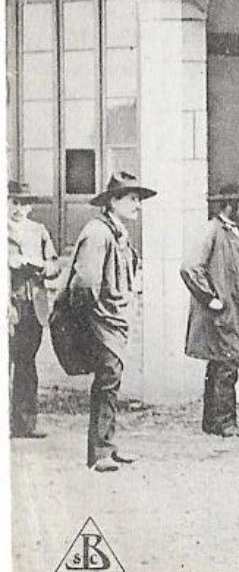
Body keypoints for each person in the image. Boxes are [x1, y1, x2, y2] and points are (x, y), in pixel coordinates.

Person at [64, 171, 153, 472]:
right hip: (101, 321)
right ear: (113, 201)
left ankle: (107, 446)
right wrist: (96, 318)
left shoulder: (118, 232)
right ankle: (100, 453)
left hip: (114, 320)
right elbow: (84, 283)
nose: (137, 205)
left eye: (139, 200)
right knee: (107, 380)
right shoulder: (98, 232)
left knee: (110, 381)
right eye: (132, 199)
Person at [180, 182, 239, 438]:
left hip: (233, 314)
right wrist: (209, 298)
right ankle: (225, 423)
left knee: (220, 364)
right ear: (230, 205)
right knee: (227, 364)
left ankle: (212, 422)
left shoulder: (235, 233)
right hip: (221, 315)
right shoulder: (213, 231)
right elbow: (190, 267)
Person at [9, 180, 60, 439]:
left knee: (26, 363)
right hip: (9, 304)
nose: (19, 208)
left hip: (33, 307)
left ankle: (24, 424)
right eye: (14, 202)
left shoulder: (38, 231)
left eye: (25, 203)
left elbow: (54, 265)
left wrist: (40, 266)